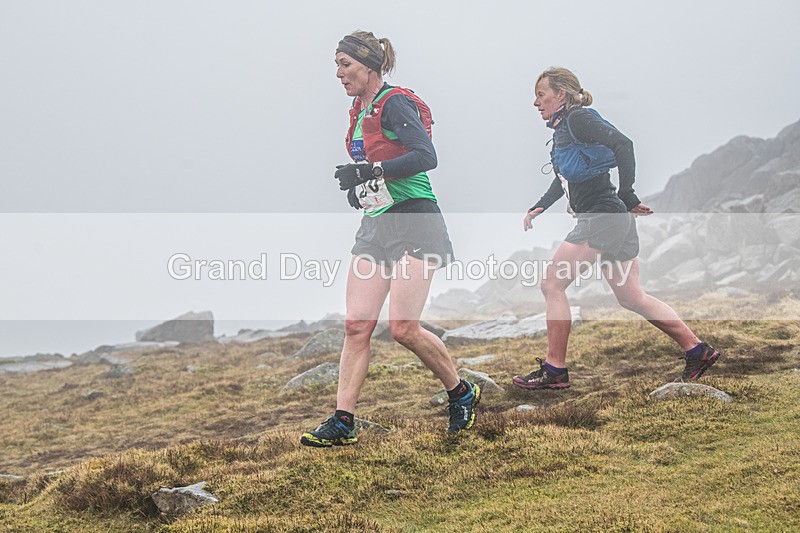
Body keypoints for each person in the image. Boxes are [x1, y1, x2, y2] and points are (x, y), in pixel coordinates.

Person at [300, 31, 480, 447]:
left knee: (403, 328)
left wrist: (372, 171)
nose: (339, 73)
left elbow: (426, 156)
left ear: (369, 65)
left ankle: (461, 392)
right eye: (336, 65)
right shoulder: (358, 111)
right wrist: (360, 185)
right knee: (356, 325)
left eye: (345, 64)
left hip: (416, 219)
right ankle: (343, 421)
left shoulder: (394, 102)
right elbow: (379, 162)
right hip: (376, 223)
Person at [512, 67, 721, 390]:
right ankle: (698, 350)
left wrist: (628, 194)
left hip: (603, 216)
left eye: (541, 95)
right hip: (614, 217)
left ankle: (555, 371)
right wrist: (540, 206)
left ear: (561, 94)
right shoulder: (566, 129)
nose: (536, 103)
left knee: (552, 284)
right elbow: (564, 178)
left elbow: (624, 144)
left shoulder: (579, 119)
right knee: (632, 297)